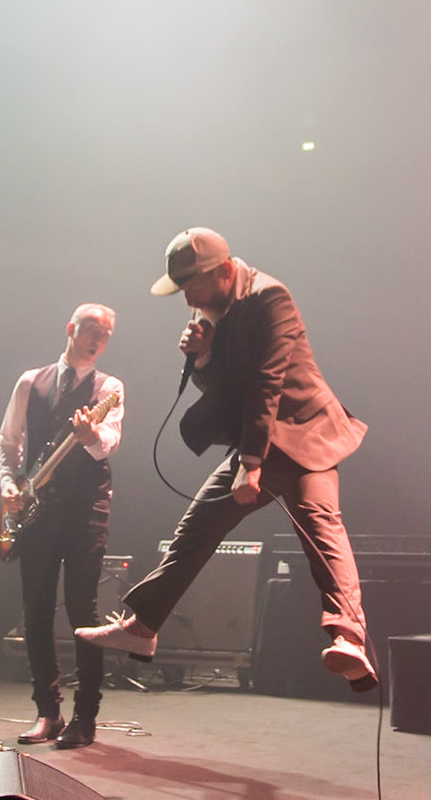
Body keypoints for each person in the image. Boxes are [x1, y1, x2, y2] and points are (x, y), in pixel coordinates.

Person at [76, 228, 377, 691]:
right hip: (266, 435)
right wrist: (202, 359)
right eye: (181, 289)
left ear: (226, 271)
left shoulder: (269, 297)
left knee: (317, 527)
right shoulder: (216, 312)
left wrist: (251, 462)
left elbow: (266, 382)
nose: (187, 298)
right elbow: (228, 389)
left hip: (303, 431)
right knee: (209, 528)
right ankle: (143, 629)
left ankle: (349, 639)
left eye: (193, 285)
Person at [0, 304, 126, 749]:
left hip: (87, 507)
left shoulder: (109, 388)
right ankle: (46, 711)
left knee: (83, 612)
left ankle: (84, 716)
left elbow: (109, 441)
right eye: (93, 330)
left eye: (106, 334)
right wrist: (9, 483)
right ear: (72, 329)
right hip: (39, 507)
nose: (98, 339)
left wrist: (91, 437)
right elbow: (9, 440)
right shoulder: (31, 382)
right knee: (35, 610)